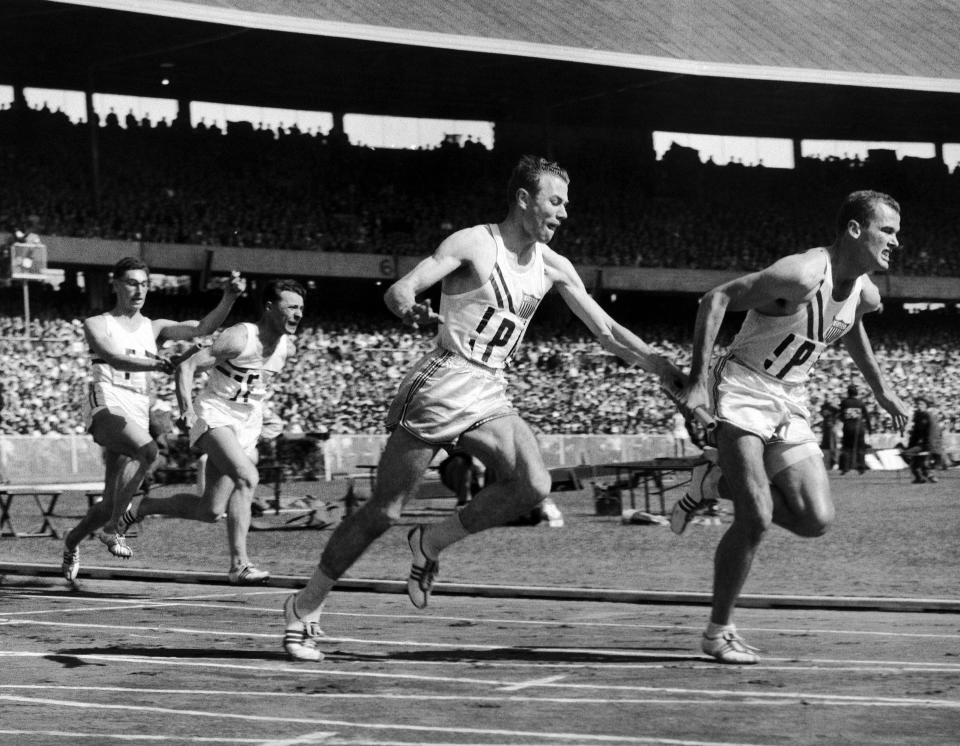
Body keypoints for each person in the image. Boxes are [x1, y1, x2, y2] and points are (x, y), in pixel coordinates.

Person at [280, 155, 683, 662]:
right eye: (554, 202)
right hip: (443, 381)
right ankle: (305, 606)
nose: (562, 214)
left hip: (490, 389)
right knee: (383, 511)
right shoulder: (474, 242)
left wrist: (660, 365)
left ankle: (430, 543)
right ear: (523, 199)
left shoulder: (555, 265)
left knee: (533, 484)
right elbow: (403, 287)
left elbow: (606, 332)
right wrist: (405, 302)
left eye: (565, 204)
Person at [671, 190, 909, 664]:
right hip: (742, 389)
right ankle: (718, 632)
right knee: (756, 516)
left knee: (814, 519)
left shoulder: (866, 292)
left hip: (791, 398)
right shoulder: (800, 275)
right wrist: (698, 380)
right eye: (888, 230)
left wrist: (881, 388)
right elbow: (715, 298)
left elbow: (850, 325)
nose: (896, 242)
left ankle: (712, 482)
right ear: (855, 230)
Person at [61, 258, 244, 581]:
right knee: (148, 451)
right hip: (105, 403)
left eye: (144, 284)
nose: (139, 290)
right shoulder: (96, 323)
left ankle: (72, 542)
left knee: (110, 500)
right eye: (131, 283)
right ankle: (114, 529)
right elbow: (115, 360)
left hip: (135, 409)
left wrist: (228, 297)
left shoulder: (154, 327)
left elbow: (202, 328)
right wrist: (160, 365)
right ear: (115, 284)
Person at [113, 279, 305, 584]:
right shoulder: (240, 337)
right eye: (291, 307)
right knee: (248, 477)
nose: (298, 314)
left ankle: (142, 507)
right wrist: (185, 408)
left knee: (210, 510)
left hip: (246, 424)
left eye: (301, 309)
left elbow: (254, 384)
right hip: (214, 414)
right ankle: (239, 565)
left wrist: (265, 413)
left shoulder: (287, 347)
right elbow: (187, 367)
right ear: (270, 307)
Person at [906, 396, 942, 483]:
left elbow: (934, 432)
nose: (919, 406)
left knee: (921, 460)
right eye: (917, 404)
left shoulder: (929, 416)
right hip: (919, 444)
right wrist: (911, 444)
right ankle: (921, 477)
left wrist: (930, 446)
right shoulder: (917, 416)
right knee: (909, 456)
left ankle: (928, 474)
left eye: (921, 404)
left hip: (928, 444)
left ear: (926, 405)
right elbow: (915, 432)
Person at [838, 384, 871, 474]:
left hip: (848, 427)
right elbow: (867, 417)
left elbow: (840, 415)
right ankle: (861, 467)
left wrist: (845, 420)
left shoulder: (844, 402)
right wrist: (869, 429)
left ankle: (845, 467)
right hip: (859, 428)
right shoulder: (860, 403)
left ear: (848, 393)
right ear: (856, 393)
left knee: (847, 448)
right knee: (860, 448)